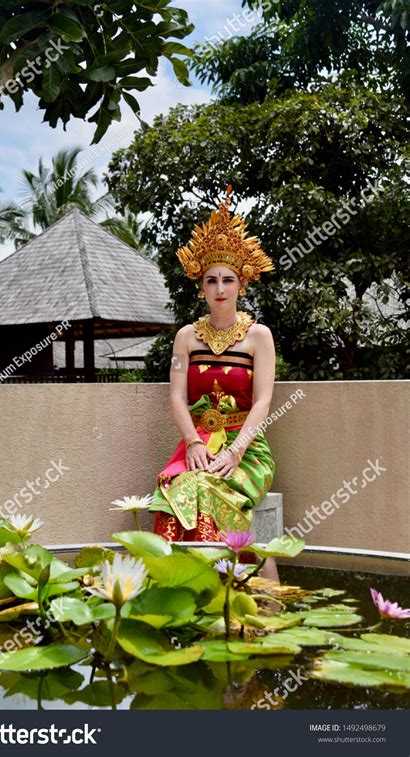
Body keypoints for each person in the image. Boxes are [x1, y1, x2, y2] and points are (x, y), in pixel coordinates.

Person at [148, 186, 279, 581]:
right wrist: (191, 442)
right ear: (200, 286)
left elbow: (263, 402)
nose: (220, 289)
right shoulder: (186, 338)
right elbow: (175, 395)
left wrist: (237, 451)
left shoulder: (260, 337)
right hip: (196, 443)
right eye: (211, 281)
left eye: (228, 280)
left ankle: (255, 588)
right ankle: (187, 588)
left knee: (210, 490)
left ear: (242, 283)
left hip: (247, 449)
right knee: (176, 490)